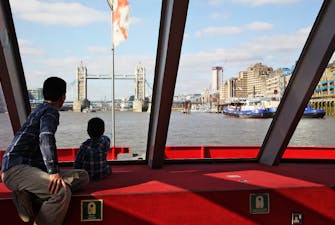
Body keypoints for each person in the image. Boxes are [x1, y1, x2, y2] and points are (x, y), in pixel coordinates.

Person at [1, 77, 89, 225]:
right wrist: (54, 171)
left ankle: (27, 195)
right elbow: (46, 137)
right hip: (15, 170)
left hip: (24, 168)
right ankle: (27, 194)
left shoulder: (39, 109)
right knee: (61, 192)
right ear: (63, 97)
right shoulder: (51, 112)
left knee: (82, 176)